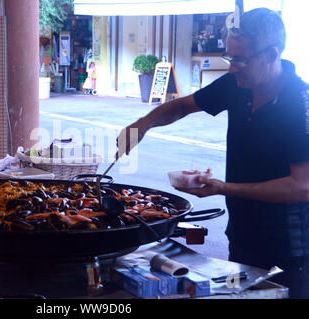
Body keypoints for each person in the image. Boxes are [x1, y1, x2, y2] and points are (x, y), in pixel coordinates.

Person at [117, 8, 309, 298]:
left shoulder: (299, 102)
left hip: (292, 250)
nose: (232, 68)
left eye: (241, 59)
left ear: (271, 55)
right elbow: (183, 105)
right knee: (237, 294)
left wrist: (224, 188)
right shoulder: (237, 85)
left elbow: (301, 186)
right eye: (229, 58)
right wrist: (142, 125)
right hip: (242, 237)